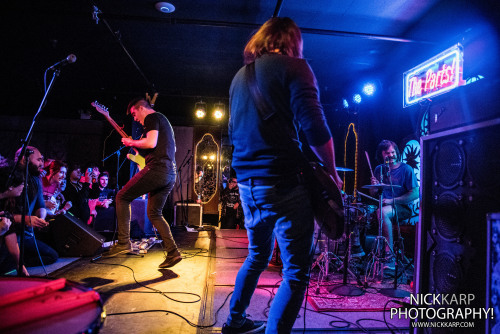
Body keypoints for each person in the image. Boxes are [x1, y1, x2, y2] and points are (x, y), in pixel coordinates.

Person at [224, 17, 342, 334]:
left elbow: (234, 132)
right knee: (295, 272)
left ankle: (234, 323)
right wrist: (332, 174)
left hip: (249, 186)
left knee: (256, 256)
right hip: (282, 184)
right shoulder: (294, 68)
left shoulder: (238, 78)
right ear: (292, 42)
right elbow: (316, 130)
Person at [102, 98, 181, 269]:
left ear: (141, 108)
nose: (135, 118)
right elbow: (159, 148)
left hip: (158, 170)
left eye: (134, 114)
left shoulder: (153, 118)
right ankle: (173, 252)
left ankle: (123, 243)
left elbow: (151, 142)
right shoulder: (163, 121)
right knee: (154, 214)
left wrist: (131, 142)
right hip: (169, 173)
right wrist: (137, 145)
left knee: (122, 197)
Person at [369, 140, 419, 267]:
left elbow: (415, 193)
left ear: (397, 152)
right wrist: (374, 186)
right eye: (387, 153)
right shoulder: (379, 169)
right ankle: (363, 252)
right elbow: (373, 194)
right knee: (365, 213)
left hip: (403, 208)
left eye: (393, 152)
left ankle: (389, 256)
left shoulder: (406, 169)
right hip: (383, 206)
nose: (391, 155)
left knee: (383, 212)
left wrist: (392, 201)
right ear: (381, 154)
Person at [13, 146, 58, 267]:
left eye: (42, 160)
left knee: (52, 256)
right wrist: (26, 219)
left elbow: (41, 205)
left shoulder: (35, 179)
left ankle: (19, 263)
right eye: (38, 160)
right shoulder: (10, 179)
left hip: (26, 234)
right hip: (10, 234)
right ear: (24, 159)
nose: (42, 163)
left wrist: (41, 219)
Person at [0, 158, 29, 275]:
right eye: (22, 183)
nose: (25, 185)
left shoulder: (7, 201)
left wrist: (21, 267)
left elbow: (10, 233)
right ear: (11, 186)